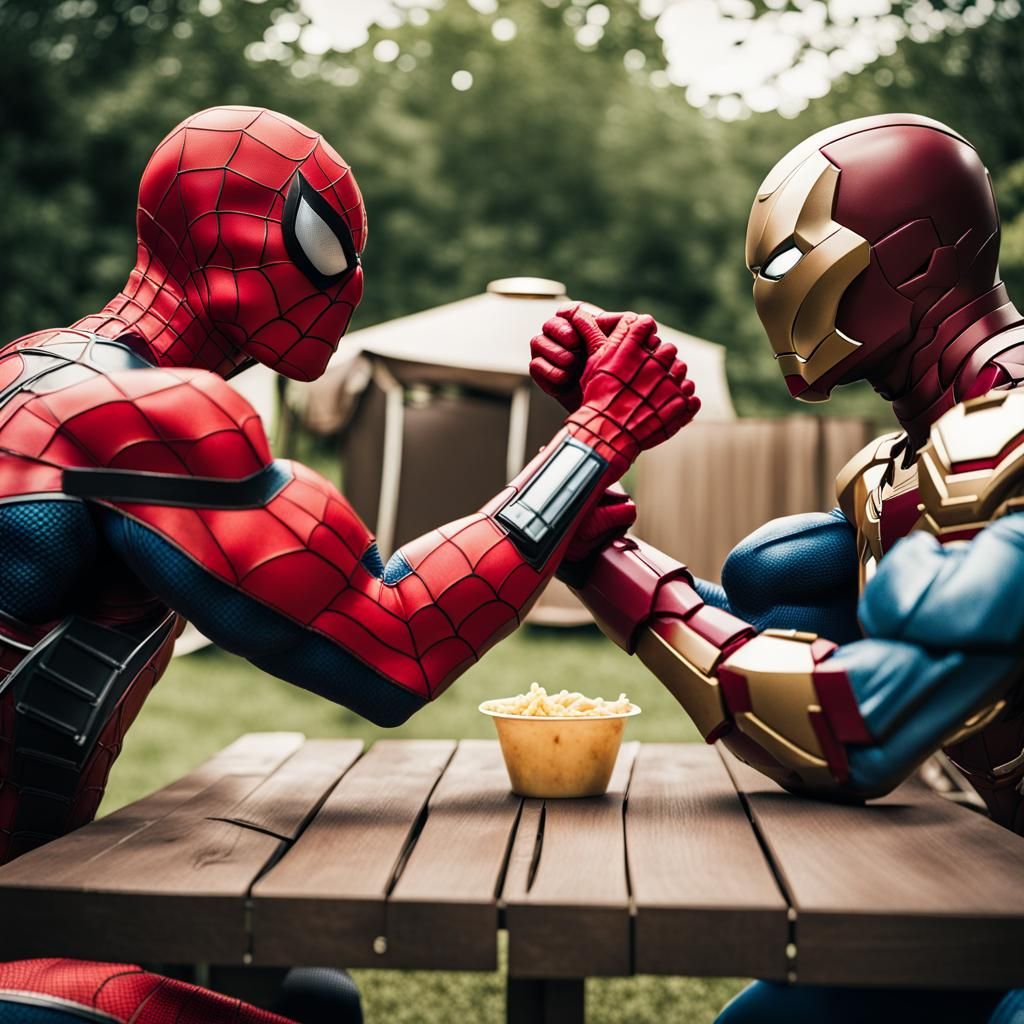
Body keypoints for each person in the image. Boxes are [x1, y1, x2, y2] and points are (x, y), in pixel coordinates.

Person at [0, 105, 697, 1021]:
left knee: (317, 997)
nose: (352, 282)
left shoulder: (39, 367)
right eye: (326, 244)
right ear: (221, 232)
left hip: (27, 894)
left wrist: (563, 486)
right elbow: (394, 639)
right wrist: (598, 433)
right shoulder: (133, 414)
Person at [530, 113, 1024, 1023]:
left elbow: (850, 730)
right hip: (987, 880)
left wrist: (606, 562)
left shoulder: (1008, 450)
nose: (772, 291)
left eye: (787, 262)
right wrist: (592, 464)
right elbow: (768, 628)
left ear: (912, 260)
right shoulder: (908, 467)